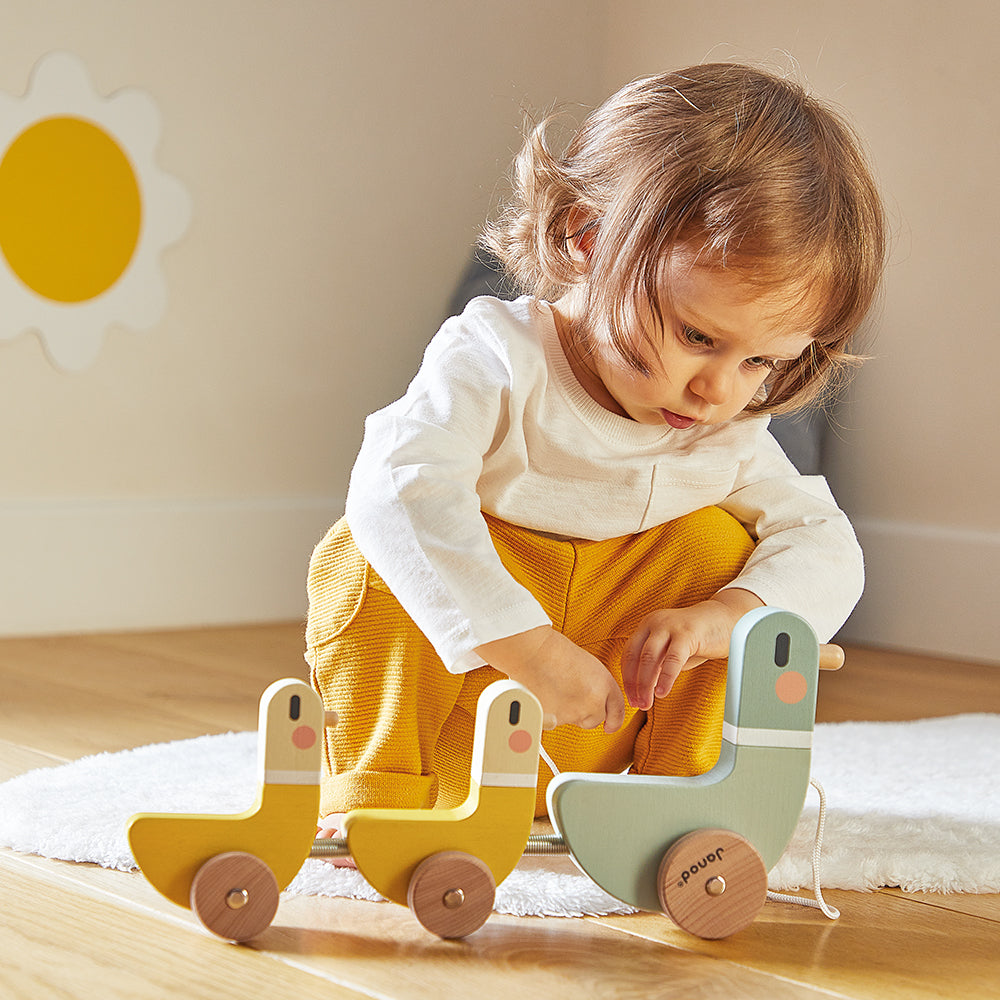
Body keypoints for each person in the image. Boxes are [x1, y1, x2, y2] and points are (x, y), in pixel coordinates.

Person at [306, 63, 886, 839]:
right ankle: (381, 801)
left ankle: (682, 801)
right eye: (698, 337)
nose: (719, 390)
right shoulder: (496, 358)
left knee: (718, 549)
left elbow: (825, 542)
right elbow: (399, 485)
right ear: (587, 239)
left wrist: (724, 617)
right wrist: (526, 647)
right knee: (367, 551)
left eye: (760, 361)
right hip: (474, 693)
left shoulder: (722, 427)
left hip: (607, 712)